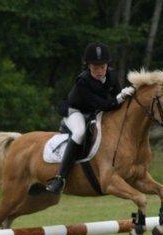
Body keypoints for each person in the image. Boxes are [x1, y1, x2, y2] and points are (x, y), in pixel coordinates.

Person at [44, 41, 135, 194]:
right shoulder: (83, 81)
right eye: (95, 67)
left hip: (94, 111)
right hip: (75, 111)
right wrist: (119, 98)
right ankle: (60, 178)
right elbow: (104, 104)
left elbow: (116, 102)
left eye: (102, 66)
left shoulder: (112, 75)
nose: (99, 71)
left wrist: (125, 96)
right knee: (79, 132)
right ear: (88, 66)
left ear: (107, 65)